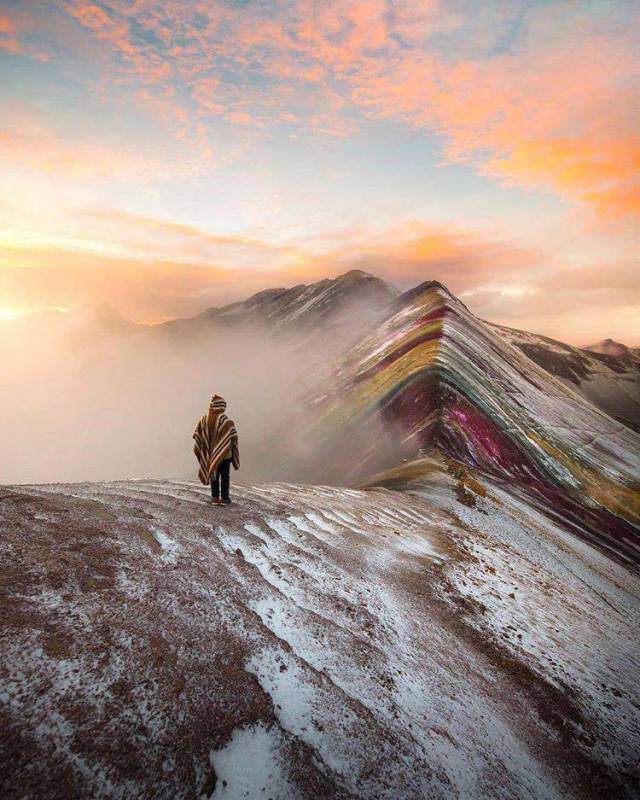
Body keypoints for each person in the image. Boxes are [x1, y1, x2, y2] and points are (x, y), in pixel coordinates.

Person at [193, 394, 240, 505]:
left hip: (209, 454)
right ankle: (224, 498)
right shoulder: (227, 422)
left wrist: (204, 450)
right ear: (222, 407)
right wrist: (234, 453)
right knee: (224, 476)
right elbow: (233, 438)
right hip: (225, 455)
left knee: (213, 474)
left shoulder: (203, 420)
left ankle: (215, 498)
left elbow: (198, 438)